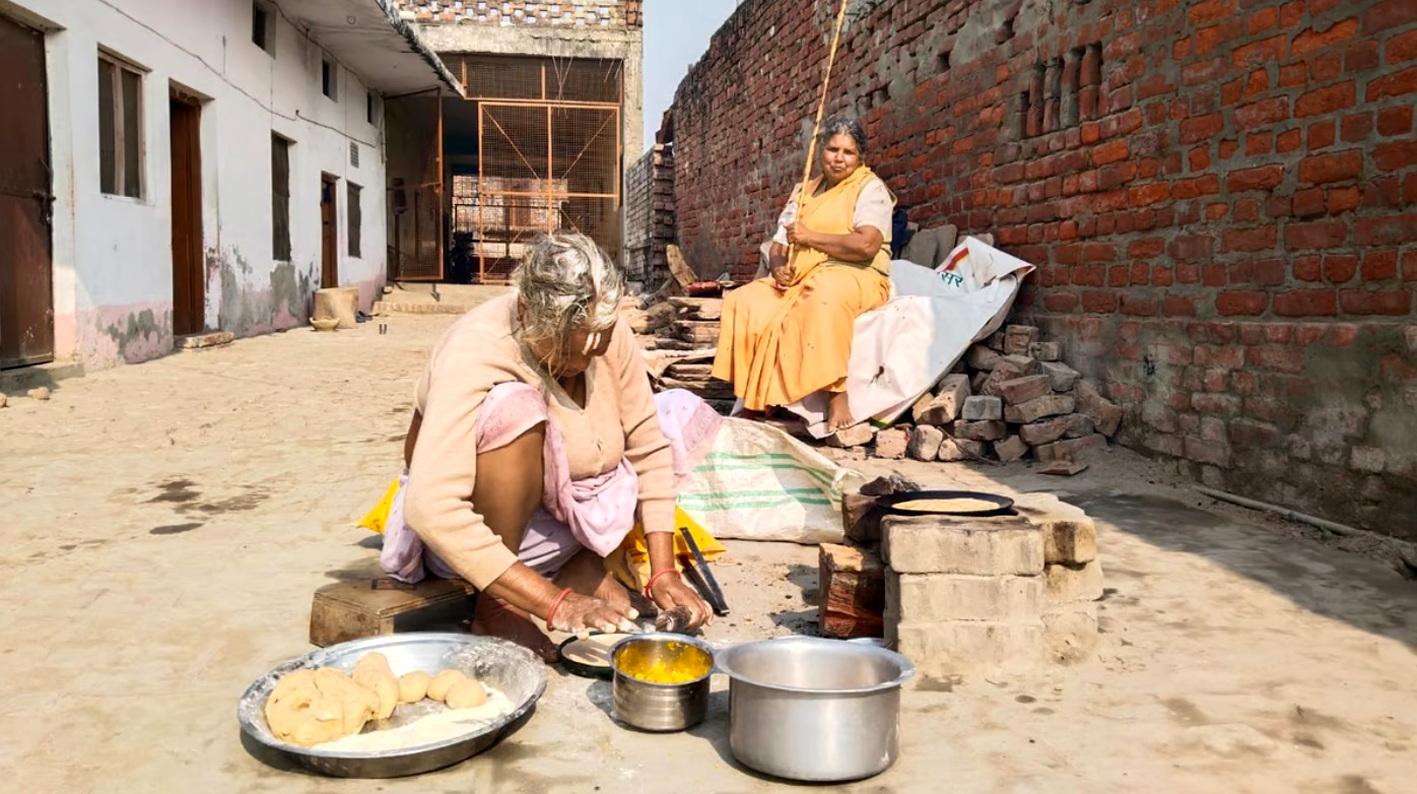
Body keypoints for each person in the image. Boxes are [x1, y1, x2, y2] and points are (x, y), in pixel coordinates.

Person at [383, 232, 713, 662]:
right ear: (527, 313)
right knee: (515, 409)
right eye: (570, 347)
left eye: (602, 340)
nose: (587, 358)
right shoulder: (477, 348)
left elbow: (649, 449)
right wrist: (555, 604)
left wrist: (664, 573)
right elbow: (432, 508)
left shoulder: (603, 332)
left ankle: (574, 564)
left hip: (569, 520)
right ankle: (496, 602)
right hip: (475, 534)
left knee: (677, 413)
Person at [711, 116, 895, 433]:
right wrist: (780, 266)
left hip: (856, 274)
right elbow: (780, 242)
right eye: (832, 149)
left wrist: (810, 237)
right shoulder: (804, 192)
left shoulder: (870, 188)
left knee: (823, 294)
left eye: (848, 152)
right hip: (802, 275)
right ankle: (756, 397)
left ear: (860, 158)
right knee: (746, 300)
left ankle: (837, 393)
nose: (839, 158)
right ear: (820, 151)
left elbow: (866, 245)